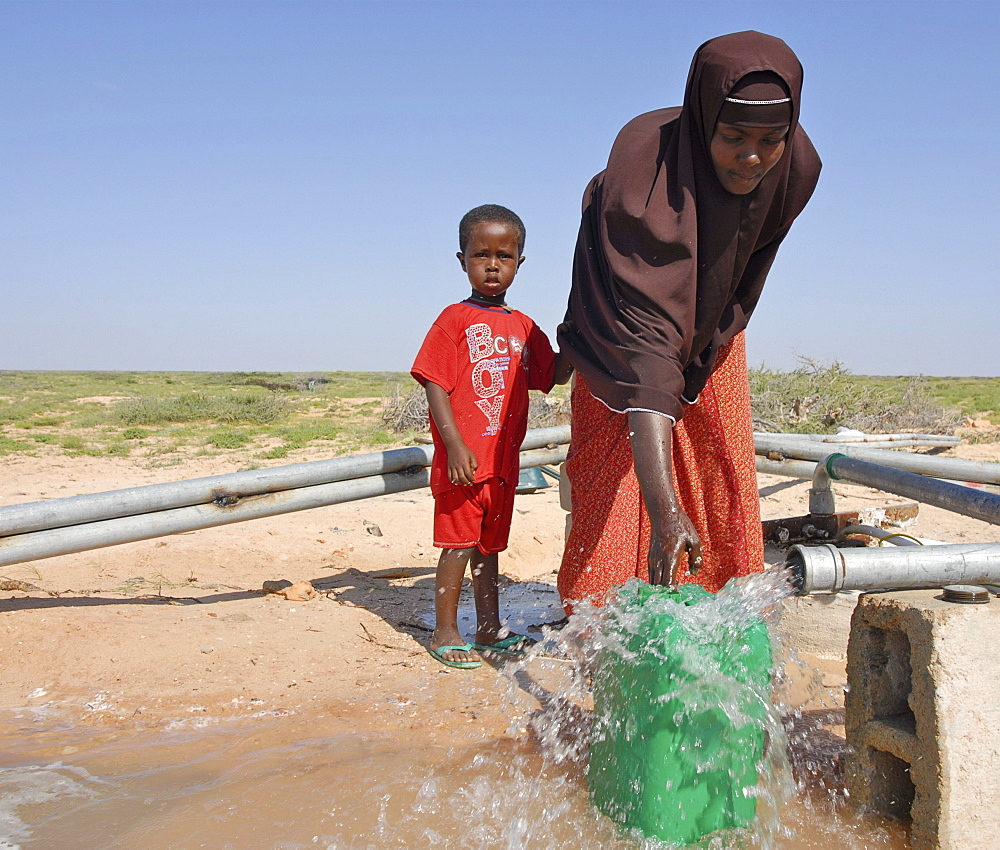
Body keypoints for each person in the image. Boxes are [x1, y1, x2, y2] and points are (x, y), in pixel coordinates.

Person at [556, 31, 822, 612]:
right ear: (704, 122)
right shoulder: (642, 180)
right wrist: (663, 506)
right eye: (733, 138)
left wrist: (705, 341)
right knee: (618, 488)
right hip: (618, 342)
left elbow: (737, 271)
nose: (753, 157)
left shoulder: (794, 171)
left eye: (770, 139)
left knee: (717, 464)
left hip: (712, 335)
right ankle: (600, 635)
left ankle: (717, 620)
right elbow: (648, 349)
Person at [412, 204, 573, 668]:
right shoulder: (454, 320)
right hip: (465, 461)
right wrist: (455, 444)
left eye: (504, 256)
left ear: (519, 262)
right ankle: (445, 630)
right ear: (461, 259)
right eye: (480, 254)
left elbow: (553, 374)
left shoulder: (524, 327)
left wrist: (579, 338)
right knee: (458, 544)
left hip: (502, 465)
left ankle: (488, 627)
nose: (492, 265)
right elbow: (435, 383)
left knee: (488, 546)